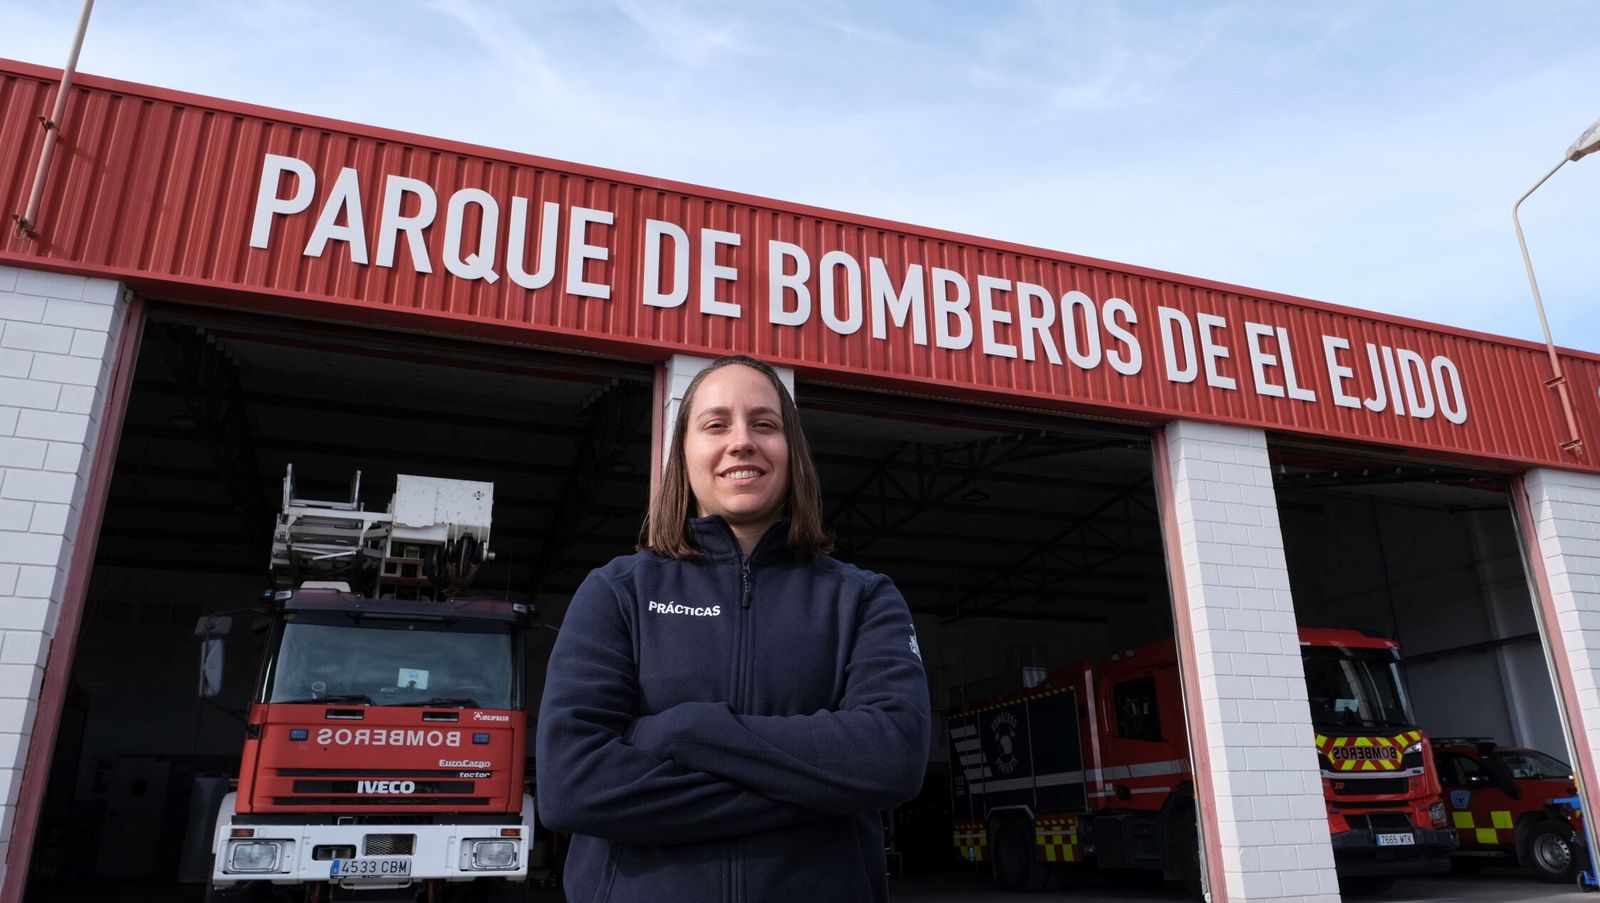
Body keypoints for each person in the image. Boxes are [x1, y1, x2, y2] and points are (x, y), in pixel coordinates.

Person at [536, 355, 932, 903]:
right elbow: (572, 785)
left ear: (792, 452)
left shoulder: (863, 598)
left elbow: (892, 758)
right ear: (685, 452)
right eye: (716, 424)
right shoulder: (617, 591)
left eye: (764, 424)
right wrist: (824, 788)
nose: (742, 441)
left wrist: (685, 733)